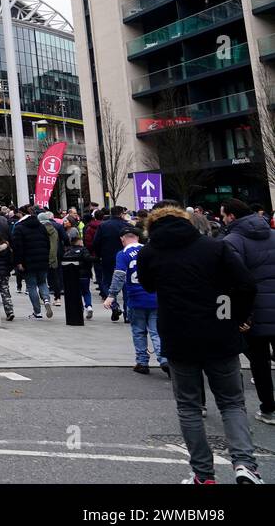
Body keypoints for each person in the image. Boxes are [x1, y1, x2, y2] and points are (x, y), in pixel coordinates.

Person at [138, 205, 260, 484]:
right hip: (220, 331)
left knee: (189, 407)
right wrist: (236, 316)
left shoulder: (150, 252)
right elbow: (246, 284)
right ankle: (245, 464)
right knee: (231, 403)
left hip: (178, 334)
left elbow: (148, 286)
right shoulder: (213, 248)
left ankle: (203, 474)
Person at [218, 199, 275, 425]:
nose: (222, 220)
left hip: (255, 309)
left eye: (223, 216)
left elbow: (235, 281)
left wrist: (241, 315)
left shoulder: (232, 241)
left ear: (231, 216)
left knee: (259, 362)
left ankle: (269, 408)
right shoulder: (272, 234)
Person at [104, 225, 164, 374]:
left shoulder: (123, 254)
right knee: (156, 331)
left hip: (136, 298)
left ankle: (142, 362)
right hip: (155, 297)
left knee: (138, 331)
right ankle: (164, 359)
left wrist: (111, 295)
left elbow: (119, 275)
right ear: (138, 237)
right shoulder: (150, 250)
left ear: (122, 240)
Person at [12, 206, 53, 320]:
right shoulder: (41, 226)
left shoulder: (19, 228)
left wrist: (18, 262)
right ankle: (46, 300)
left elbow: (17, 246)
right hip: (42, 260)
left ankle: (37, 312)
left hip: (28, 262)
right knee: (42, 283)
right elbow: (47, 242)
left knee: (31, 286)